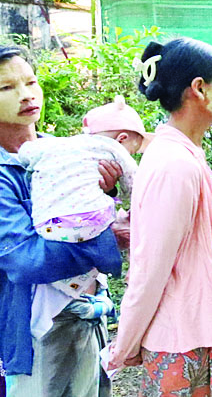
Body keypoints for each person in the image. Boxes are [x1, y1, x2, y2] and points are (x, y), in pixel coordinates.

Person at [108, 38, 212, 397]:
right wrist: (124, 345)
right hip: (180, 345)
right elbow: (149, 270)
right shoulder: (175, 164)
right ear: (198, 89)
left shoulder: (185, 156)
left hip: (195, 338)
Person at [0, 45, 123, 397]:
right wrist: (106, 240)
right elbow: (24, 260)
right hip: (33, 330)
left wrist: (106, 194)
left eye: (30, 82)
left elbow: (85, 211)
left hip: (86, 318)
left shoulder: (65, 151)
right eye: (7, 87)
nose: (25, 94)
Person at [18, 96, 142, 305]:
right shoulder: (114, 149)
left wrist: (109, 190)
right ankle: (118, 271)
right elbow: (136, 186)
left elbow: (25, 152)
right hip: (90, 223)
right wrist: (134, 205)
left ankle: (83, 295)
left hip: (47, 226)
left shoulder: (53, 145)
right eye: (132, 150)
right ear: (122, 139)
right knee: (117, 224)